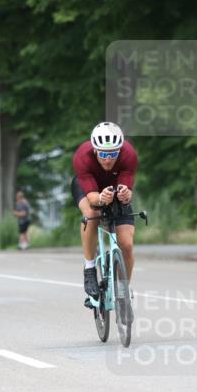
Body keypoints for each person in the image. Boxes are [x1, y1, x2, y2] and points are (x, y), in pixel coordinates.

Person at [71, 121, 138, 301]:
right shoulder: (82, 156)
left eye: (113, 154)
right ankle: (90, 268)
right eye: (102, 154)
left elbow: (127, 188)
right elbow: (93, 198)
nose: (107, 159)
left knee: (127, 244)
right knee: (92, 214)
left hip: (114, 187)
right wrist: (100, 199)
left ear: (120, 151)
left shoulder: (129, 154)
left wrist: (125, 194)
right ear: (94, 150)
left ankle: (123, 290)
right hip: (88, 188)